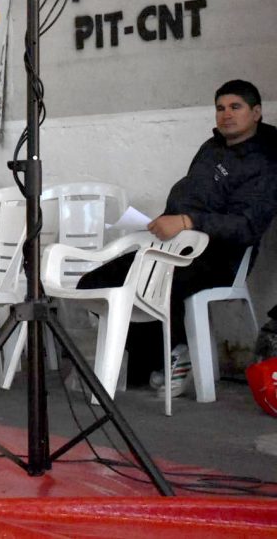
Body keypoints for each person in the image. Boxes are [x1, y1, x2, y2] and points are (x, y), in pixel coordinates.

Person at [78, 79, 277, 395]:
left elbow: (246, 226)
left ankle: (178, 352)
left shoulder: (265, 161)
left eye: (235, 107)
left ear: (256, 113)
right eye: (220, 108)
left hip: (219, 257)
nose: (226, 114)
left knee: (156, 282)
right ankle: (150, 359)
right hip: (173, 246)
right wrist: (165, 223)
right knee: (94, 283)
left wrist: (186, 221)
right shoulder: (211, 148)